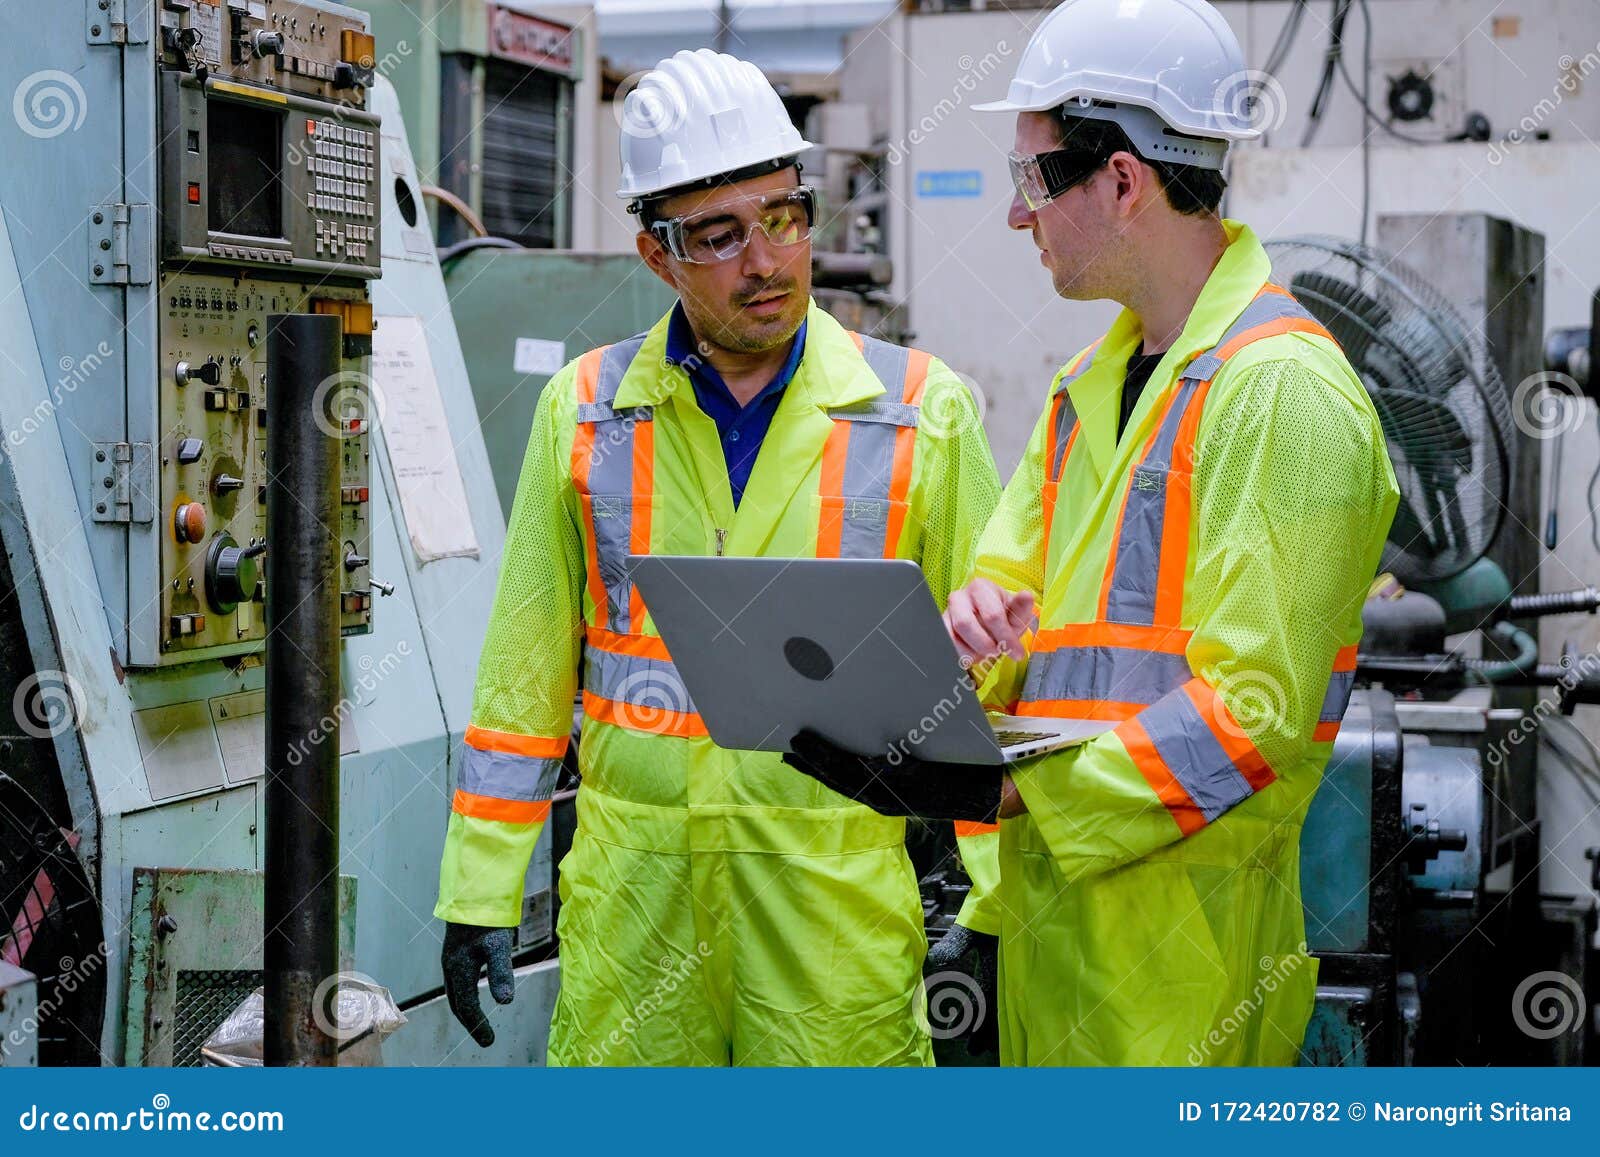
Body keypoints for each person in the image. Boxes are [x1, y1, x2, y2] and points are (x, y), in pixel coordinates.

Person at [785, 0, 1399, 1066]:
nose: (1018, 217)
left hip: (1185, 976)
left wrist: (1005, 788)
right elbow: (1015, 623)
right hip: (1047, 940)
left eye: (1032, 179)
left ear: (1121, 178)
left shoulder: (1285, 396)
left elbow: (1247, 717)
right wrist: (959, 661)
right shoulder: (1087, 386)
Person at [435, 48, 1003, 1065]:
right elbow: (524, 670)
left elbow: (994, 675)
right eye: (720, 234)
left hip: (830, 918)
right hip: (636, 913)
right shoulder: (588, 412)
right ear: (655, 253)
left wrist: (994, 900)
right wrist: (482, 884)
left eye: (785, 217)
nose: (767, 261)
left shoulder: (919, 412)